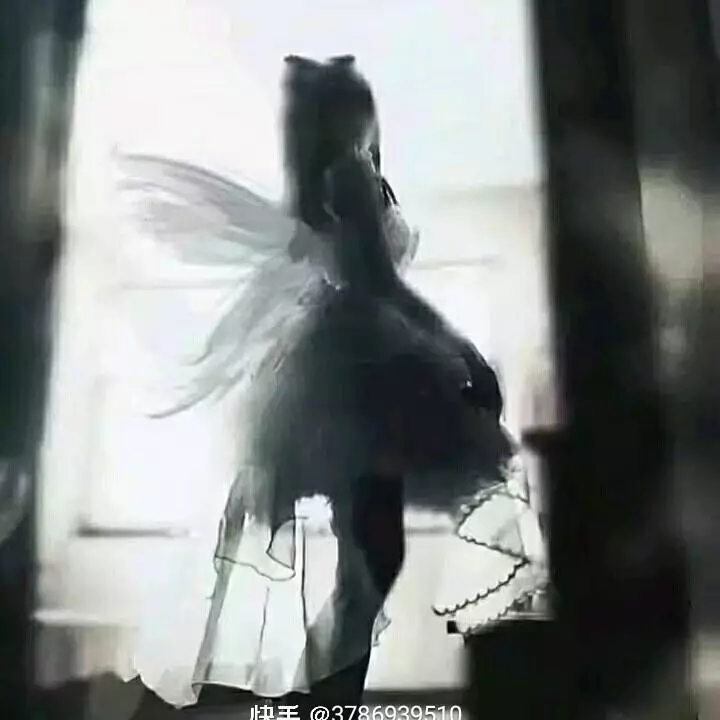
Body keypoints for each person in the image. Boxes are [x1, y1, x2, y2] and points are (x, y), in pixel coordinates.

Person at [115, 55, 546, 709]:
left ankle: (323, 703)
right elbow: (379, 282)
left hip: (361, 367)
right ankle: (324, 704)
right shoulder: (347, 175)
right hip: (353, 377)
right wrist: (464, 352)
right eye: (356, 105)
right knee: (369, 564)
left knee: (367, 564)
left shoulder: (347, 175)